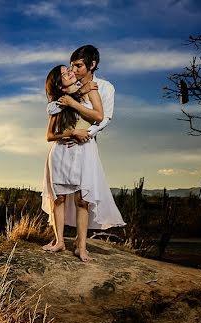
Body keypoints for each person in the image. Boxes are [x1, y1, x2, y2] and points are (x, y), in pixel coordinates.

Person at [40, 46, 124, 262]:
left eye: (77, 66)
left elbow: (102, 118)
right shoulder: (61, 99)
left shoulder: (98, 88)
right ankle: (60, 241)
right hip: (61, 151)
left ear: (92, 65)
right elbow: (50, 132)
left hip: (85, 146)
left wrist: (83, 133)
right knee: (58, 197)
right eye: (70, 68)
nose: (73, 70)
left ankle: (81, 245)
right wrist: (70, 132)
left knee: (83, 198)